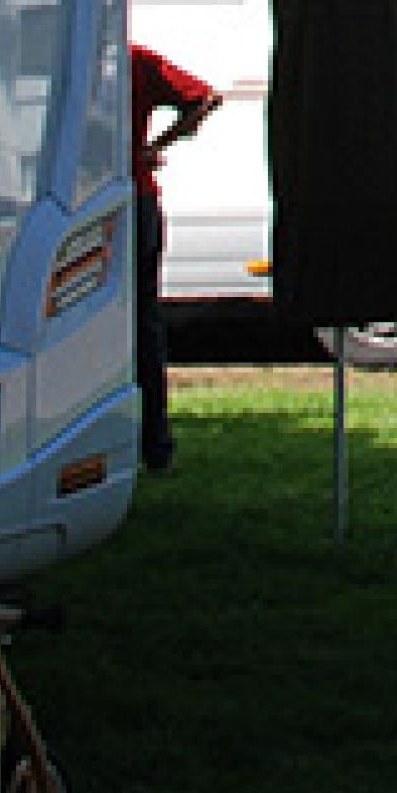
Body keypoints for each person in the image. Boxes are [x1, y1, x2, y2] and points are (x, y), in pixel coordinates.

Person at [132, 42, 221, 472]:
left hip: (107, 201)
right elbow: (203, 98)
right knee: (145, 324)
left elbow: (204, 98)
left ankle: (149, 442)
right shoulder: (137, 60)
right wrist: (154, 147)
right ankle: (155, 446)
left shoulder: (95, 60)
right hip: (137, 197)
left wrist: (151, 148)